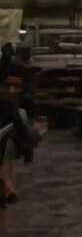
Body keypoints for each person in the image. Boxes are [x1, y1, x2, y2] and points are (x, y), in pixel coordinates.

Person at [0, 70, 40, 204]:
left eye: (15, 88)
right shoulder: (10, 103)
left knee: (6, 162)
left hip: (7, 138)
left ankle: (9, 190)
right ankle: (9, 190)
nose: (12, 90)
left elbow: (20, 127)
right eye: (8, 87)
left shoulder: (14, 105)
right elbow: (20, 126)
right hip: (7, 137)